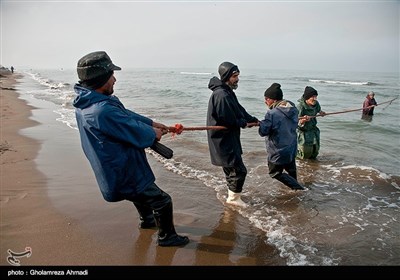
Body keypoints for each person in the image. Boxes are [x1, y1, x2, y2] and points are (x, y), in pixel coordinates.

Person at [72, 51, 189, 247]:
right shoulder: (102, 110)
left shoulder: (89, 102)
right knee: (162, 201)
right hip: (122, 168)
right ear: (101, 78)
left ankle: (147, 221)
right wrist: (153, 133)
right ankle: (167, 237)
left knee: (140, 195)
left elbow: (125, 115)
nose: (115, 79)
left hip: (113, 165)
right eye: (111, 75)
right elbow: (140, 134)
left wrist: (152, 123)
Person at [206, 62, 259, 208]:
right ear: (226, 76)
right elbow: (228, 119)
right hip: (223, 139)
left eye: (237, 76)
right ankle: (234, 199)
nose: (237, 79)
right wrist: (242, 123)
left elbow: (239, 110)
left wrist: (252, 119)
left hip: (229, 138)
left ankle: (232, 195)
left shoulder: (228, 92)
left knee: (231, 169)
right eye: (235, 76)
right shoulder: (221, 95)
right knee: (238, 170)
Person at [258, 83, 304, 191]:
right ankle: (295, 190)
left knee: (274, 173)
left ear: (273, 100)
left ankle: (299, 188)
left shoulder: (272, 113)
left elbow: (263, 132)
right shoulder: (293, 109)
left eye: (267, 99)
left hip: (278, 151)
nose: (265, 101)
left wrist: (262, 124)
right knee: (291, 170)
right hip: (291, 148)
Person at [296, 86, 326, 160]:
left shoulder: (316, 104)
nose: (315, 99)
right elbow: (296, 122)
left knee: (314, 152)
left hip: (313, 130)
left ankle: (312, 165)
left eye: (316, 97)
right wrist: (303, 120)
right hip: (303, 131)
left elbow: (319, 110)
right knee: (304, 153)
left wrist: (322, 113)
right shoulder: (300, 106)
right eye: (313, 97)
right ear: (307, 98)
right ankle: (300, 165)